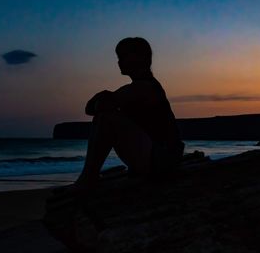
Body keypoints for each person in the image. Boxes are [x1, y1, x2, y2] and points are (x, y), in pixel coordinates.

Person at [76, 37, 184, 187]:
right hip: (162, 158)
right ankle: (89, 175)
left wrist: (104, 96)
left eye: (123, 56)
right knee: (105, 116)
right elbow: (90, 108)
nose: (119, 62)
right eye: (119, 57)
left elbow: (100, 106)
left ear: (141, 58)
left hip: (162, 160)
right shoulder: (137, 88)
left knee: (107, 118)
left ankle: (88, 176)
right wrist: (105, 96)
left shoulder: (144, 87)